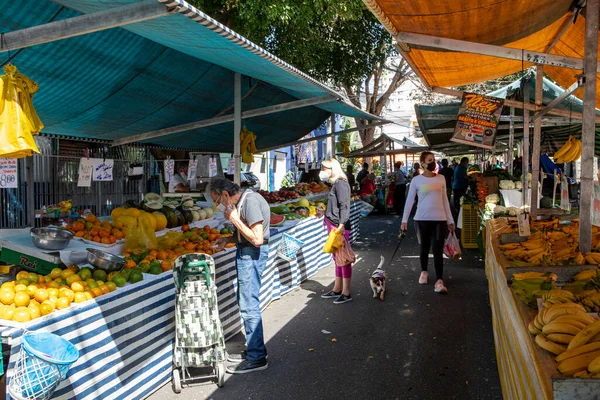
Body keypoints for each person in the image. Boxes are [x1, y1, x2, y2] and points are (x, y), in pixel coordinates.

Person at [209, 176, 270, 374]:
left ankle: (257, 358)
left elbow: (257, 238)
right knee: (246, 301)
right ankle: (256, 349)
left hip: (251, 255)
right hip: (246, 252)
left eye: (217, 201)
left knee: (248, 305)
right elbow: (246, 235)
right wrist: (227, 239)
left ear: (226, 195)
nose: (218, 206)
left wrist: (234, 219)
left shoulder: (250, 202)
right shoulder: (246, 200)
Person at [401, 152, 455, 294]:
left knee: (437, 249)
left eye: (434, 160)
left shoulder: (441, 178)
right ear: (423, 163)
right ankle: (424, 272)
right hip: (421, 219)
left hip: (440, 219)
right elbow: (410, 201)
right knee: (424, 247)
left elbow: (445, 200)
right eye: (430, 160)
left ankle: (439, 280)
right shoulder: (416, 180)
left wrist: (450, 220)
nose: (433, 163)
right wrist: (404, 220)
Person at [320, 158, 353, 304]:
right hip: (333, 225)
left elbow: (345, 206)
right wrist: (324, 213)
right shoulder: (336, 184)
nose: (322, 171)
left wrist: (341, 225)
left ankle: (346, 292)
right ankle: (337, 288)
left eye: (324, 168)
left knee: (344, 259)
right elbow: (336, 206)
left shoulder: (341, 184)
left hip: (339, 227)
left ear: (332, 169)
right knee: (337, 259)